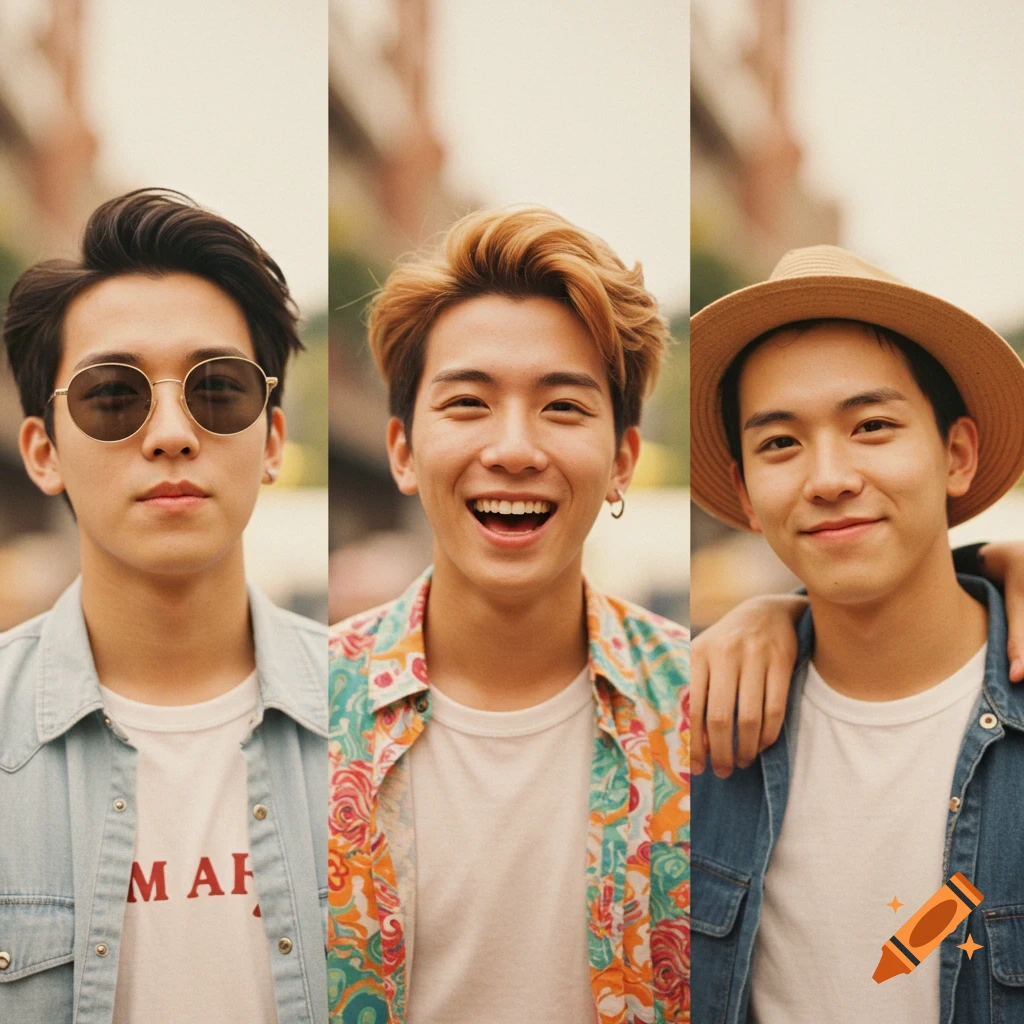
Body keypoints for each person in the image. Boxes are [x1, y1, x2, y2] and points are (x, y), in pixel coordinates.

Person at [327, 207, 689, 1024]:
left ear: (624, 457)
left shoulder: (712, 715)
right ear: (402, 450)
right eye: (467, 404)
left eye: (563, 407)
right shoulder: (297, 714)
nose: (516, 448)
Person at [0, 190, 327, 1024]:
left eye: (218, 390)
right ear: (44, 451)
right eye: (114, 396)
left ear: (274, 441)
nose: (172, 432)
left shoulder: (383, 725)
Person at [688, 245, 1024, 1023]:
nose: (828, 477)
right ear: (743, 491)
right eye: (779, 443)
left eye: (872, 425)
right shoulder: (696, 739)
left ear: (957, 454)